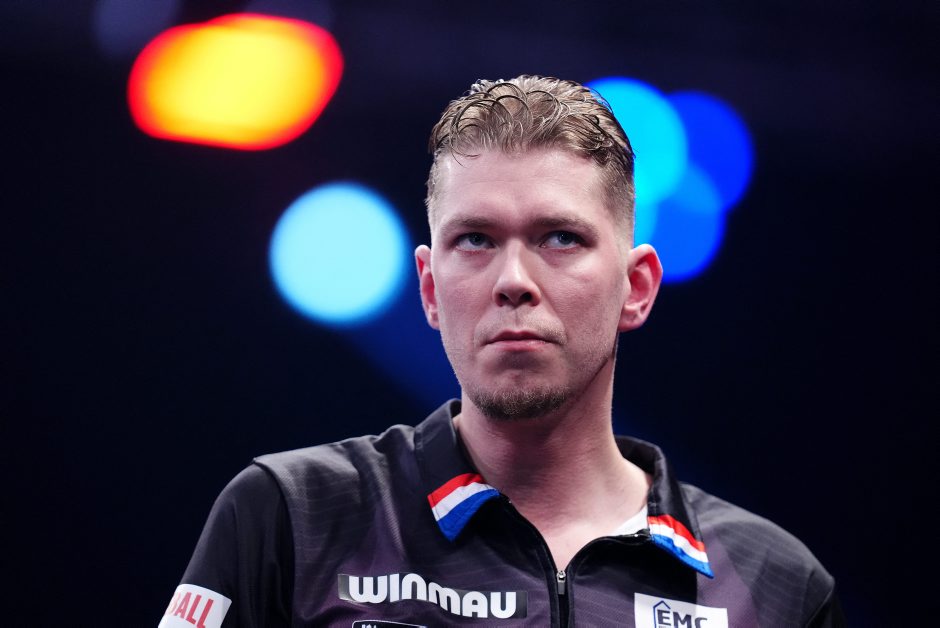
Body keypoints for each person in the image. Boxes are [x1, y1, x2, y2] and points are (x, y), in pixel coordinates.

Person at [158, 75, 844, 628]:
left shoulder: (774, 586)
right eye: (476, 240)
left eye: (560, 238)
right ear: (430, 288)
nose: (514, 280)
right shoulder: (290, 517)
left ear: (636, 288)